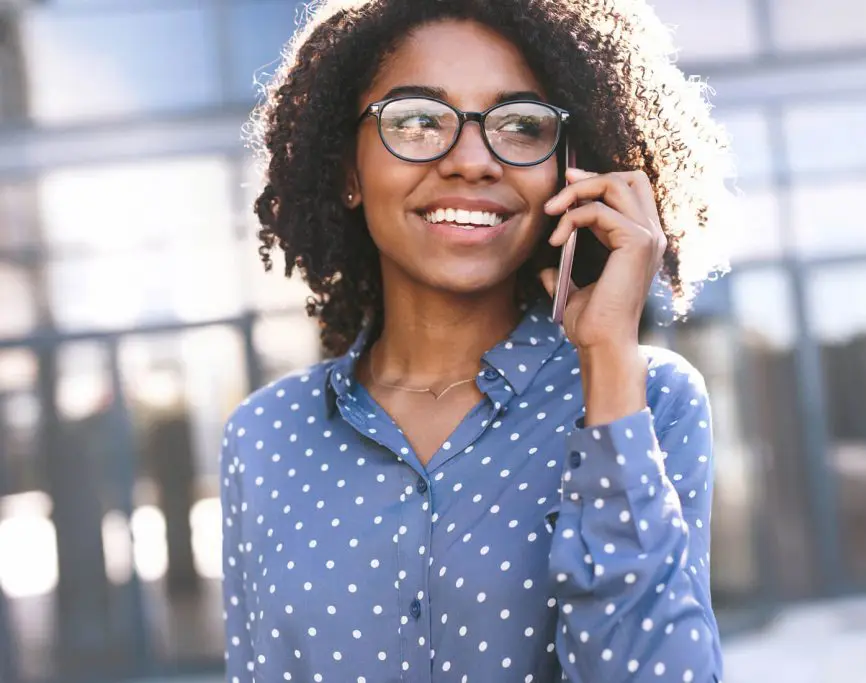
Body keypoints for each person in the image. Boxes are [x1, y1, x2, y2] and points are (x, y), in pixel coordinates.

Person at [220, 0, 733, 681]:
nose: (472, 160)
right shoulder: (263, 438)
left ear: (569, 169)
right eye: (416, 120)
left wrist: (609, 354)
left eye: (520, 125)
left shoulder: (648, 400)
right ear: (348, 168)